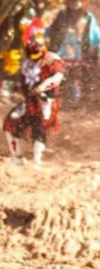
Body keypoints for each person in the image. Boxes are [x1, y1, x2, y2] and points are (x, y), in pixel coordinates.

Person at [3, 33, 64, 168]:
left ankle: (37, 161)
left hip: (45, 101)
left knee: (39, 128)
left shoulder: (52, 60)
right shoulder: (27, 62)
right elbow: (22, 82)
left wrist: (41, 88)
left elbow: (57, 77)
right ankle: (17, 157)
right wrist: (14, 88)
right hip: (29, 101)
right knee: (10, 123)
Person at [1, 0, 61, 103]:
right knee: (11, 66)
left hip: (24, 45)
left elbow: (35, 31)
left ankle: (13, 92)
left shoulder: (36, 12)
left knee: (19, 69)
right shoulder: (27, 9)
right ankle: (5, 92)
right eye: (46, 0)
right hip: (15, 42)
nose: (46, 4)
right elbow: (22, 26)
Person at [46, 0, 100, 108]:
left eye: (78, 1)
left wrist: (93, 47)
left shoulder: (88, 16)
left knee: (75, 75)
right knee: (59, 75)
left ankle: (75, 101)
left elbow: (94, 34)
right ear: (68, 2)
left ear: (83, 2)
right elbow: (53, 30)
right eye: (73, 0)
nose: (75, 3)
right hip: (63, 48)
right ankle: (55, 100)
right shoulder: (62, 15)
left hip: (79, 50)